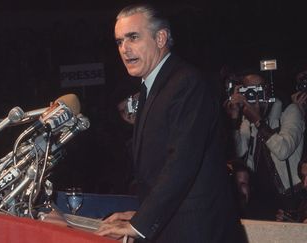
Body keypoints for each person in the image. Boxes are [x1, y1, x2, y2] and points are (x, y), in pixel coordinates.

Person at [95, 4, 243, 242]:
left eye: (133, 37)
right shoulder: (152, 86)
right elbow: (158, 169)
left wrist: (140, 224)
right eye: (119, 41)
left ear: (161, 37)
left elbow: (181, 163)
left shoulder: (186, 83)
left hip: (199, 233)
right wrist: (142, 215)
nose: (124, 49)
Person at [225, 70, 305, 219]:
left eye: (258, 90)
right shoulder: (246, 120)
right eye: (248, 90)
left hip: (289, 199)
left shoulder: (289, 112)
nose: (253, 96)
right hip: (260, 200)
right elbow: (237, 154)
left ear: (268, 92)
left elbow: (283, 150)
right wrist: (234, 120)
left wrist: (258, 120)